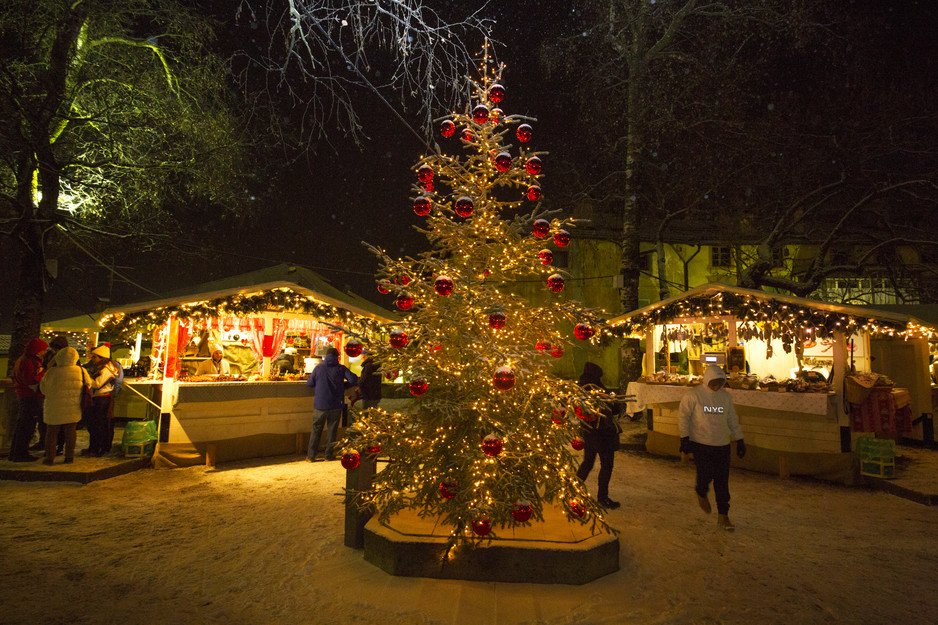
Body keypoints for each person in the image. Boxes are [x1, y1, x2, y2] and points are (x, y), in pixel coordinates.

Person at [679, 365, 746, 531]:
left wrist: (739, 439)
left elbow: (732, 418)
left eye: (719, 383)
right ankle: (701, 491)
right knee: (705, 474)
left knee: (722, 481)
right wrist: (684, 438)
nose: (716, 386)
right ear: (707, 380)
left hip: (722, 444)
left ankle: (723, 515)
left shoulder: (725, 397)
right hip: (701, 443)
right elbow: (684, 417)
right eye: (713, 383)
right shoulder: (693, 395)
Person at [575, 361, 621, 509]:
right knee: (606, 464)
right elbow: (612, 409)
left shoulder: (581, 389)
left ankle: (573, 490)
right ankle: (602, 497)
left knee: (588, 462)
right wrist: (615, 402)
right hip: (603, 433)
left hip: (588, 432)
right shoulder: (597, 390)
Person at [38, 347, 90, 465]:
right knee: (70, 432)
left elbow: (43, 389)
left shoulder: (52, 372)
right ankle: (69, 457)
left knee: (51, 433)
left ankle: (50, 457)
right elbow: (88, 385)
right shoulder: (81, 371)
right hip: (73, 406)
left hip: (54, 407)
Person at [306, 347, 357, 461]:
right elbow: (353, 380)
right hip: (335, 404)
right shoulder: (341, 368)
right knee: (332, 431)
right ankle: (328, 455)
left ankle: (311, 456)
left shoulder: (318, 368)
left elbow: (309, 384)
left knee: (316, 430)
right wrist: (343, 386)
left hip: (320, 405)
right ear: (337, 357)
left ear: (326, 356)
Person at [8, 338, 48, 462]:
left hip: (25, 395)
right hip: (30, 396)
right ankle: (20, 453)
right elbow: (31, 380)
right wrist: (43, 373)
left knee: (22, 425)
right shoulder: (28, 362)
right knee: (27, 426)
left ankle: (15, 452)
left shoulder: (24, 360)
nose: (44, 352)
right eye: (43, 350)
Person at [82, 344, 120, 456]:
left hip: (101, 399)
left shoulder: (106, 370)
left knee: (97, 425)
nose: (93, 359)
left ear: (101, 357)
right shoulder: (106, 368)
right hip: (102, 398)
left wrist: (86, 377)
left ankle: (97, 448)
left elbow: (97, 384)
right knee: (99, 424)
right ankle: (97, 448)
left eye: (95, 357)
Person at [34, 335, 70, 454]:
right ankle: (45, 443)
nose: (55, 350)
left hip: (60, 395)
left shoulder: (67, 359)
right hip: (52, 395)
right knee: (46, 421)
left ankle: (58, 447)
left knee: (59, 424)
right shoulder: (50, 356)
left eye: (56, 348)